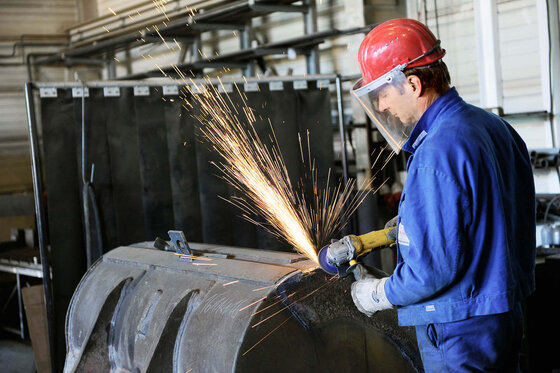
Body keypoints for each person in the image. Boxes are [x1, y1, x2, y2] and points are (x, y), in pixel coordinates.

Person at [337, 18, 536, 372]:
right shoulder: (493, 127)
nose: (381, 106)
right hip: (503, 318)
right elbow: (491, 217)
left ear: (412, 84)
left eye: (383, 92)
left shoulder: (436, 150)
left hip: (458, 328)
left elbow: (431, 271)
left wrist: (378, 295)